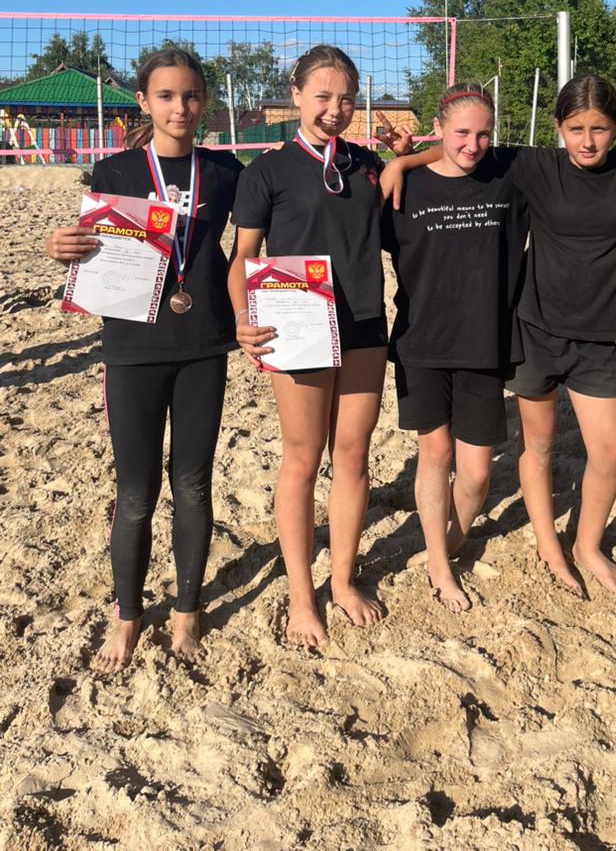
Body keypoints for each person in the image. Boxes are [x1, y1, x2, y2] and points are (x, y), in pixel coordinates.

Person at [384, 74, 616, 600]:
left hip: (562, 337)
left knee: (604, 451)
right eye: (576, 128)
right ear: (558, 127)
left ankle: (584, 545)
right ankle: (527, 548)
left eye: (600, 129)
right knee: (509, 448)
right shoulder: (526, 166)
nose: (588, 140)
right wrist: (402, 162)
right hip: (506, 333)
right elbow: (461, 152)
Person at [44, 48, 243, 673]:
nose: (180, 107)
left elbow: (276, 221)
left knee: (193, 484)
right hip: (132, 347)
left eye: (191, 95)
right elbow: (89, 246)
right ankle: (127, 614)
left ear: (204, 101)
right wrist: (59, 246)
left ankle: (186, 609)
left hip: (204, 342)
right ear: (144, 102)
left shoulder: (225, 172)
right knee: (135, 492)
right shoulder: (115, 170)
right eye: (166, 96)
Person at [228, 44, 412, 650]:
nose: (335, 109)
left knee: (353, 458)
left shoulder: (367, 164)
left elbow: (434, 170)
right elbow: (243, 258)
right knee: (303, 460)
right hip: (297, 323)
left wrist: (404, 156)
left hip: (363, 324)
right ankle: (302, 597)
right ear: (297, 94)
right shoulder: (266, 170)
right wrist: (243, 319)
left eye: (347, 99)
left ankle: (343, 582)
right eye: (324, 96)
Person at [381, 84, 529, 611]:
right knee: (435, 453)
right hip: (422, 341)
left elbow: (582, 159)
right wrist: (401, 163)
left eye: (484, 133)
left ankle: (452, 540)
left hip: (485, 342)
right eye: (462, 132)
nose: (473, 144)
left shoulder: (507, 176)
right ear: (438, 129)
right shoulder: (405, 188)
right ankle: (441, 566)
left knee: (478, 472)